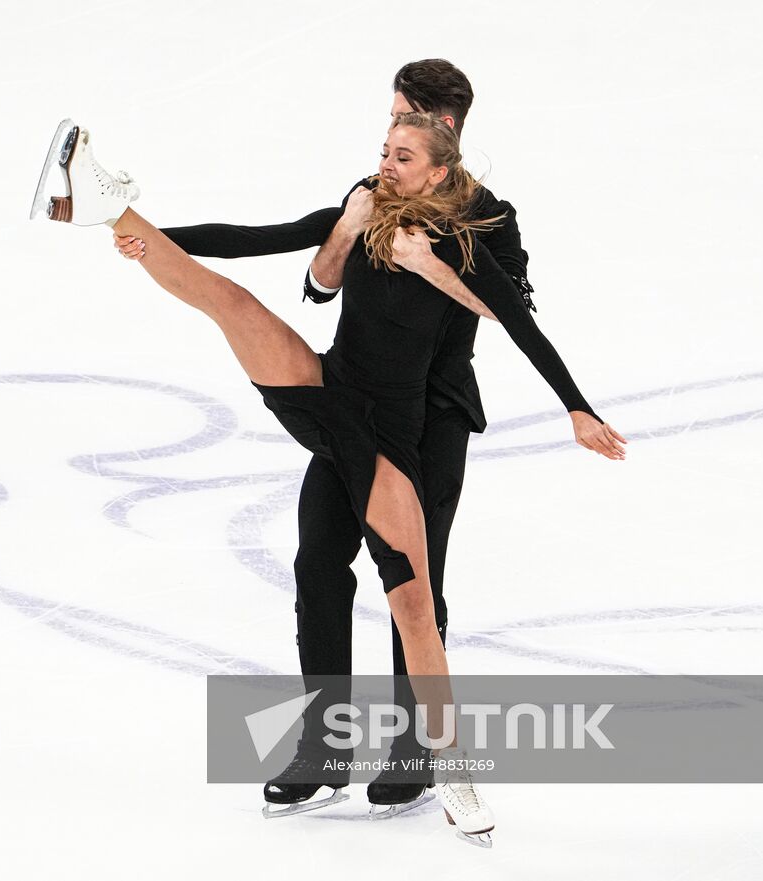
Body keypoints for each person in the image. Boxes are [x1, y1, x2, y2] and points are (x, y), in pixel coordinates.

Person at [32, 111, 620, 846]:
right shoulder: (364, 210)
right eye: (384, 150)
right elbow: (252, 239)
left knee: (412, 601)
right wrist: (149, 236)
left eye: (402, 156)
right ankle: (104, 201)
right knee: (230, 302)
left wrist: (577, 409)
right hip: (327, 388)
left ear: (439, 171)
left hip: (389, 442)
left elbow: (523, 324)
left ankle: (453, 768)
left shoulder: (466, 246)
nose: (386, 163)